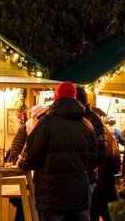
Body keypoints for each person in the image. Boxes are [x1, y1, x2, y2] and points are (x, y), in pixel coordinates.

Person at [19, 81, 98, 221]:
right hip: (79, 196)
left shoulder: (46, 123)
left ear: (56, 98)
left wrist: (22, 162)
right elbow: (93, 160)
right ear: (74, 97)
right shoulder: (87, 125)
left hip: (52, 196)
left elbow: (31, 154)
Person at [74, 87, 107, 218]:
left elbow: (101, 152)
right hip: (78, 177)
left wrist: (83, 165)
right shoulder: (75, 117)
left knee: (83, 214)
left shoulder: (93, 119)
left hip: (87, 177)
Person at [89, 108, 118, 221]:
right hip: (105, 180)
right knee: (102, 210)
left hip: (97, 180)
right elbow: (115, 160)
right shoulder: (108, 133)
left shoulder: (92, 132)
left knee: (97, 212)